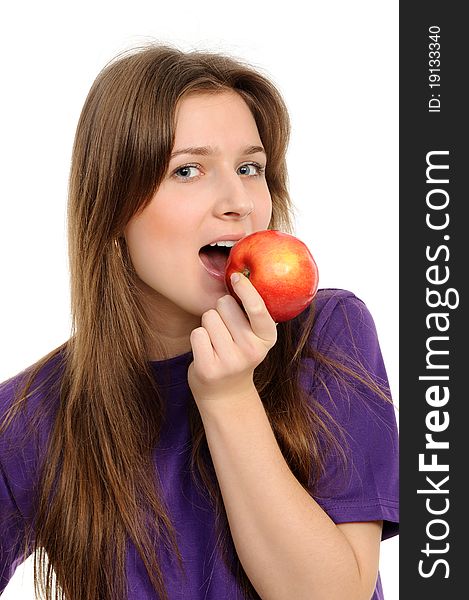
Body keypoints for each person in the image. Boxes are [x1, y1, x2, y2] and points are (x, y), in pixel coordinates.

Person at [0, 43, 399, 600]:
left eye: (249, 168)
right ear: (112, 205)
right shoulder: (31, 413)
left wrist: (229, 398)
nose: (238, 201)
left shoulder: (327, 334)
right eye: (188, 170)